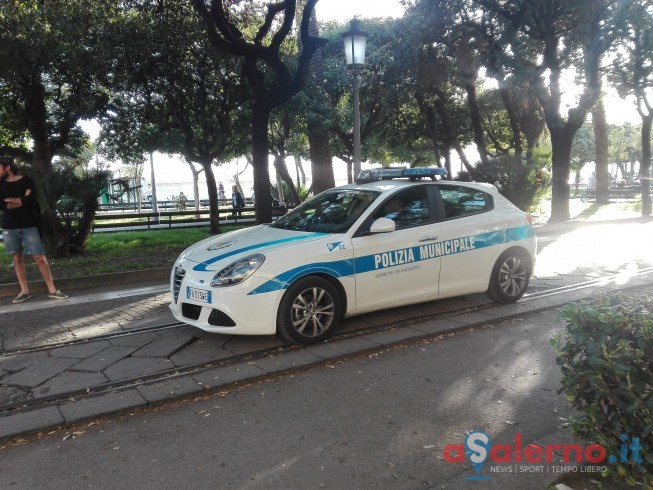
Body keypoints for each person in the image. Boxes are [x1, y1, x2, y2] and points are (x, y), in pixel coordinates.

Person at [0, 157, 68, 303]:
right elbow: (2, 206)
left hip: (29, 224)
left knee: (40, 258)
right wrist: (20, 200)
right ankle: (24, 291)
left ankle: (53, 290)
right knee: (17, 258)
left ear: (7, 167)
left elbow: (31, 201)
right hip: (9, 226)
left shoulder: (27, 180)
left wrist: (9, 200)